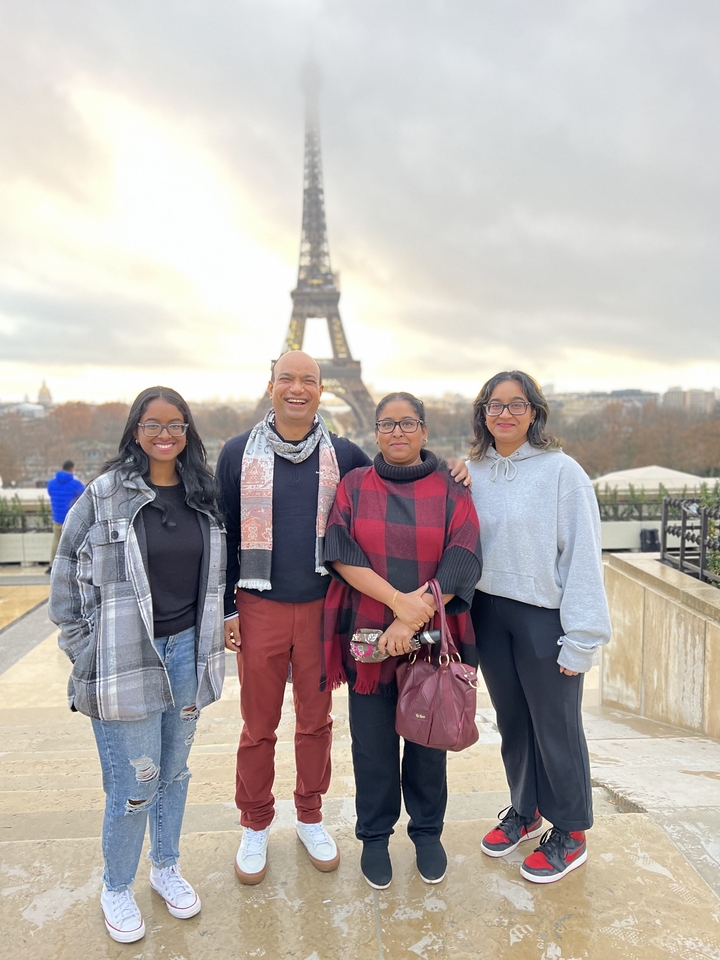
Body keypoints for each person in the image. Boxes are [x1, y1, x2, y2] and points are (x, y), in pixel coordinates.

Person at [216, 352, 470, 886]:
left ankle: (310, 816)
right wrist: (228, 607)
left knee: (317, 723)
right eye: (287, 378)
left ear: (323, 388)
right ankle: (256, 822)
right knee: (258, 725)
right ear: (270, 385)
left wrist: (456, 465)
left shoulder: (346, 454)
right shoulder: (237, 453)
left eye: (308, 379)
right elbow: (226, 533)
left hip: (322, 610)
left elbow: (408, 483)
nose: (297, 388)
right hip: (261, 605)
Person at [48, 386, 226, 943]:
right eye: (153, 424)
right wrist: (87, 650)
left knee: (174, 774)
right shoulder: (103, 496)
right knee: (134, 783)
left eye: (175, 424)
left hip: (187, 655)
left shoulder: (204, 495)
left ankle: (165, 865)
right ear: (135, 431)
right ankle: (117, 886)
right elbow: (65, 578)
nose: (164, 434)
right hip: (125, 660)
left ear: (188, 432)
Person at [321, 392, 482, 890]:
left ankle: (427, 832)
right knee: (372, 747)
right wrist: (397, 603)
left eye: (408, 423)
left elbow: (463, 557)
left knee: (427, 742)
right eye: (387, 424)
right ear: (375, 431)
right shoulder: (353, 485)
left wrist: (409, 621)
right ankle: (374, 837)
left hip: (429, 638)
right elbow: (340, 551)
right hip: (370, 635)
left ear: (424, 431)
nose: (397, 432)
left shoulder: (452, 488)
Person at [466, 371, 611, 884]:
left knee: (556, 726)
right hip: (488, 613)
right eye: (495, 404)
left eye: (516, 404)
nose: (504, 414)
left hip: (542, 616)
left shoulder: (563, 473)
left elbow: (582, 558)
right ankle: (525, 811)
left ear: (534, 412)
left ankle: (571, 831)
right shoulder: (471, 471)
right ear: (483, 413)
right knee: (513, 722)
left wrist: (582, 639)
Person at [46, 460, 85, 572]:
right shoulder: (76, 484)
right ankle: (73, 567)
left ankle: (52, 566)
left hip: (57, 518)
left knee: (56, 542)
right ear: (72, 469)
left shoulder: (51, 483)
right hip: (71, 519)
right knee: (73, 544)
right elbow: (84, 497)